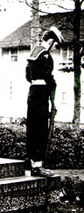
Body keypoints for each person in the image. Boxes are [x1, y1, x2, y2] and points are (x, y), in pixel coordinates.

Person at [26, 26, 64, 177]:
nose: (55, 48)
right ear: (50, 41)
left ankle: (32, 161)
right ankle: (38, 165)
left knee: (32, 127)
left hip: (33, 92)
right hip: (41, 94)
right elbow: (48, 76)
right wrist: (53, 84)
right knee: (41, 128)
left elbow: (28, 76)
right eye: (55, 45)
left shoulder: (34, 53)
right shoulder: (46, 56)